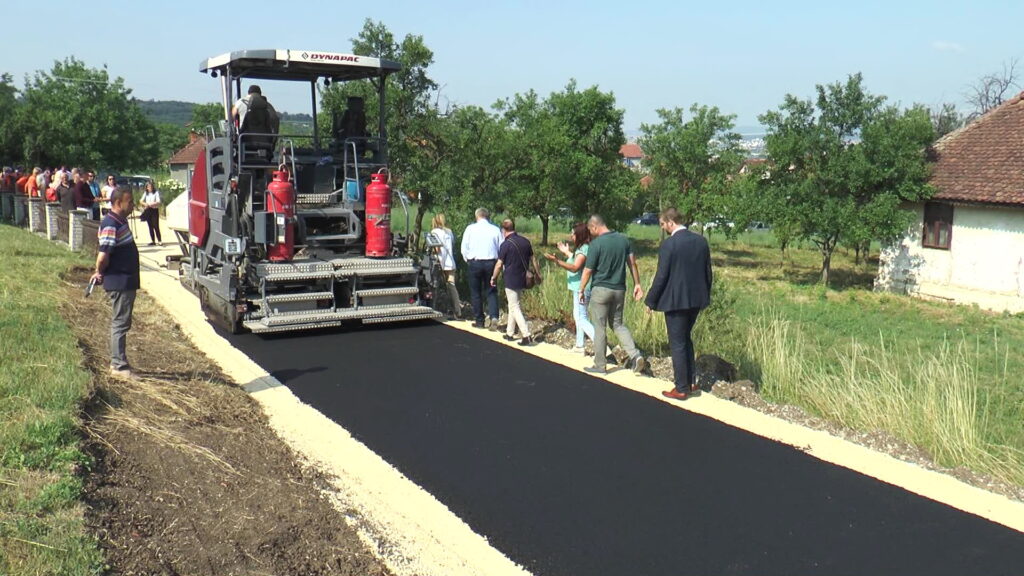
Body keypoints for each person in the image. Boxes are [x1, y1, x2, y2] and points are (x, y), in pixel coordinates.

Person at [645, 208, 713, 401]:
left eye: (662, 224)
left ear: (670, 222)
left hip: (675, 301)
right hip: (696, 299)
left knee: (677, 343)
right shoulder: (701, 241)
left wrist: (651, 300)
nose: (662, 228)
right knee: (686, 338)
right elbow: (708, 272)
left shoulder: (669, 244)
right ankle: (691, 382)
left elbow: (661, 276)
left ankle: (681, 388)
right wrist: (705, 295)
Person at [578, 214, 647, 375]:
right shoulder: (624, 240)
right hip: (619, 289)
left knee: (600, 327)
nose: (591, 233)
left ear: (595, 226)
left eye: (590, 230)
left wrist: (581, 289)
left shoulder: (596, 244)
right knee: (617, 324)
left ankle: (600, 365)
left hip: (600, 290)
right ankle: (635, 355)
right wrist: (637, 284)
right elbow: (632, 263)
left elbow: (588, 270)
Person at [90, 186, 140, 379]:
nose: (133, 205)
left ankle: (119, 362)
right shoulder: (111, 224)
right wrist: (99, 271)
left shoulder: (118, 221)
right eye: (130, 201)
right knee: (120, 323)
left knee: (122, 322)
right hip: (120, 281)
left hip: (124, 280)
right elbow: (103, 256)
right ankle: (118, 366)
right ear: (119, 203)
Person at [544, 222, 602, 355]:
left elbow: (575, 267)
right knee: (579, 316)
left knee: (581, 318)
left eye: (573, 233)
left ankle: (600, 344)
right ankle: (579, 345)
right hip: (581, 287)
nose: (571, 236)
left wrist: (557, 261)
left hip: (582, 288)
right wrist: (566, 252)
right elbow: (577, 260)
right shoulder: (584, 248)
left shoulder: (583, 249)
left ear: (579, 235)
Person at [491, 219, 541, 346]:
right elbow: (533, 259)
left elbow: (499, 264)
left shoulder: (505, 245)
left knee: (515, 306)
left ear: (503, 230)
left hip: (511, 278)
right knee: (513, 304)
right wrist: (538, 273)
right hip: (523, 277)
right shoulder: (525, 241)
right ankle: (510, 333)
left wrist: (494, 277)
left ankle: (526, 335)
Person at [460, 207, 503, 329]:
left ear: (476, 216)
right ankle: (494, 316)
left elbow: (464, 248)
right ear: (487, 216)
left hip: (475, 262)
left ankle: (479, 320)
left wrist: (468, 260)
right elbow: (501, 248)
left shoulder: (470, 229)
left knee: (476, 292)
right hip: (491, 263)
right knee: (491, 290)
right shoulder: (495, 230)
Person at [428, 213, 462, 319]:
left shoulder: (434, 232)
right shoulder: (449, 232)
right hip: (450, 262)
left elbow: (437, 249)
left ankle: (437, 307)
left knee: (436, 285)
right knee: (452, 286)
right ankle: (457, 310)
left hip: (440, 262)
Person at [138, 180, 162, 246]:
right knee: (150, 226)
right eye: (148, 187)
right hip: (148, 210)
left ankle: (159, 240)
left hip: (154, 209)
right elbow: (141, 200)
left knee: (156, 225)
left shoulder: (156, 192)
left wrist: (151, 204)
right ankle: (153, 240)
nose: (149, 188)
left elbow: (158, 201)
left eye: (151, 186)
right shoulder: (146, 193)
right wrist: (145, 204)